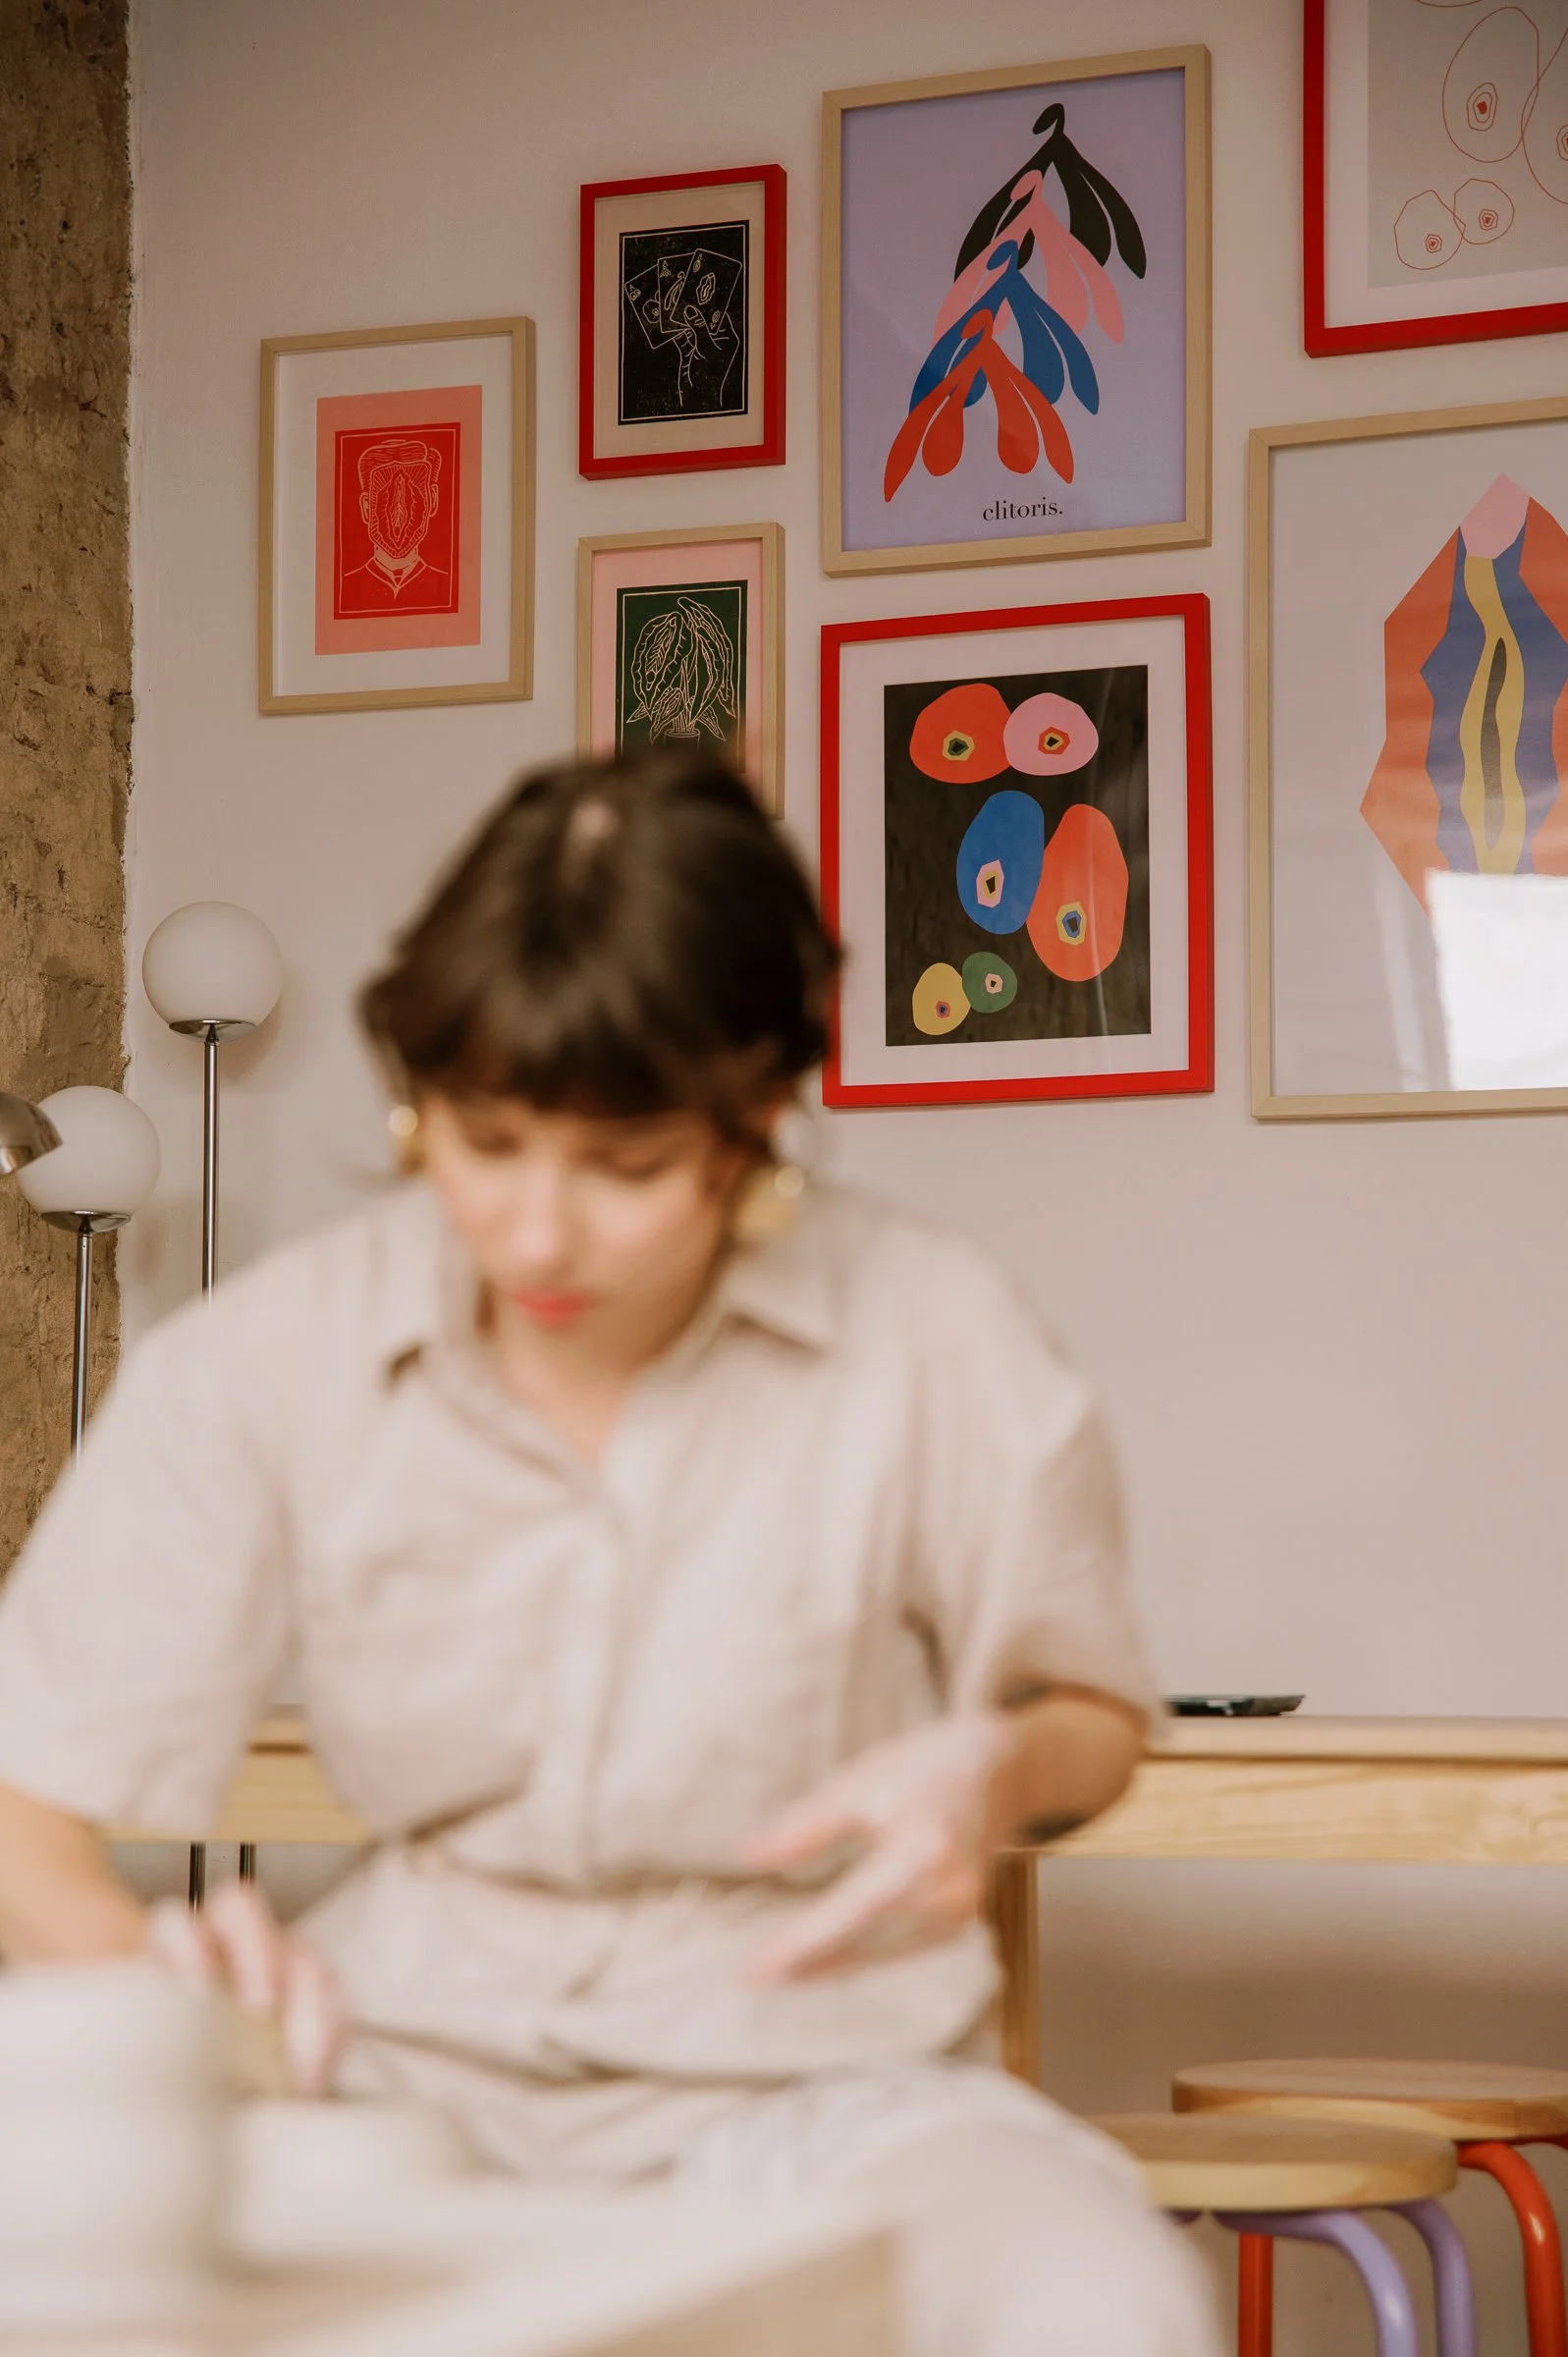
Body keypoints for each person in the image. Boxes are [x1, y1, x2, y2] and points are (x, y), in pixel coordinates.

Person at [0, 752, 1217, 2357]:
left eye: (626, 1167)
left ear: (756, 1116)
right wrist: (160, 1993)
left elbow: (1090, 1718)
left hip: (829, 2085)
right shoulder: (267, 1358)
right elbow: (24, 1798)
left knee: (1100, 2303)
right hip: (384, 2081)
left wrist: (989, 1774)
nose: (536, 1232)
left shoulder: (932, 1329)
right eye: (482, 1140)